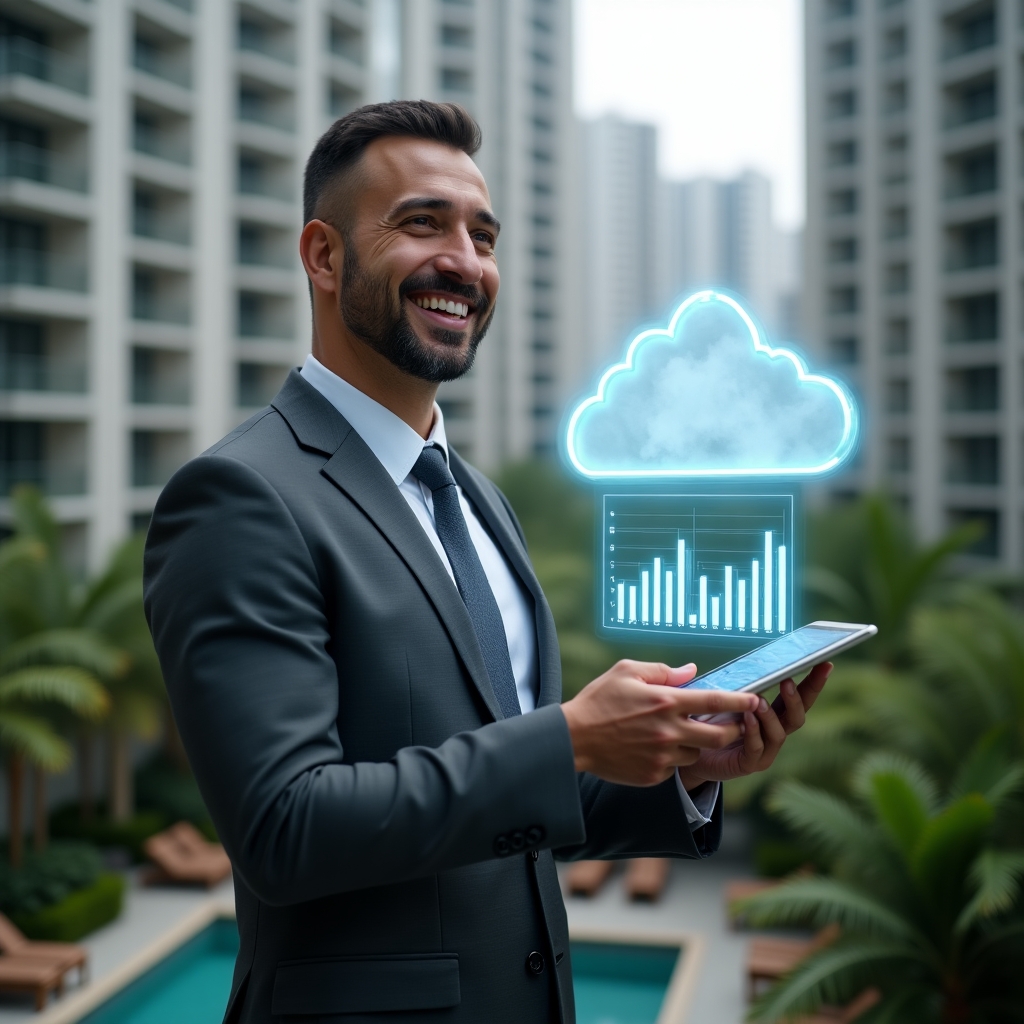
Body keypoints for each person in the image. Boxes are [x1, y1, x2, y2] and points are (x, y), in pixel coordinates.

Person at [143, 100, 830, 1024]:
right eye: (422, 223)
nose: (465, 263)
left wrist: (682, 769)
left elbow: (510, 806)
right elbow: (284, 826)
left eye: (484, 235)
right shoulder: (237, 498)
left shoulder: (476, 498)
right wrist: (572, 737)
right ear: (323, 256)